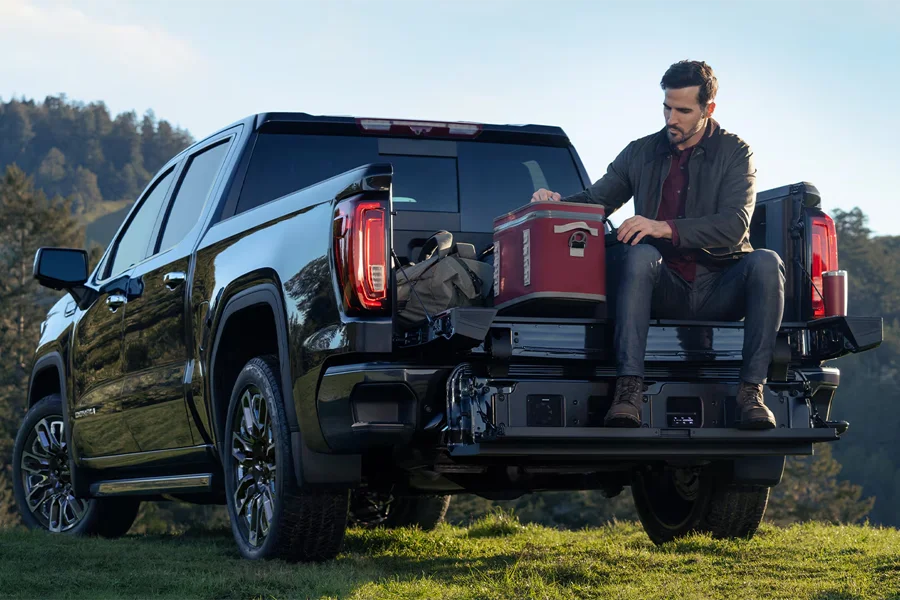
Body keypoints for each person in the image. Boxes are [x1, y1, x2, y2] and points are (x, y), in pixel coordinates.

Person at [532, 60, 783, 430]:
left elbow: (734, 226)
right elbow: (595, 201)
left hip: (720, 288)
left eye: (683, 110)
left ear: (707, 109)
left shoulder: (736, 152)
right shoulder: (639, 152)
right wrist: (555, 204)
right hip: (663, 286)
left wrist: (663, 227)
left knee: (766, 261)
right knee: (640, 254)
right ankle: (628, 391)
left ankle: (751, 393)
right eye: (667, 107)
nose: (671, 118)